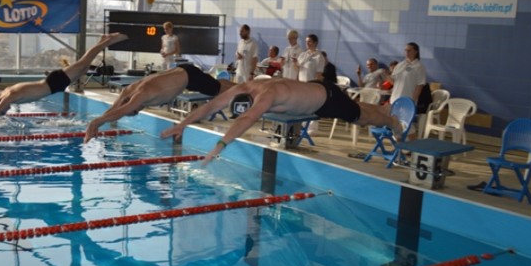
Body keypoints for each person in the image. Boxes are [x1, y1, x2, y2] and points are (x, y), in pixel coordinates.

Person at [161, 77, 402, 164]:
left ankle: (392, 122)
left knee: (360, 119)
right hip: (316, 90)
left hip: (327, 100)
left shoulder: (266, 95)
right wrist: (183, 124)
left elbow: (246, 119)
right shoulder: (244, 87)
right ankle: (385, 108)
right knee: (356, 108)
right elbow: (211, 105)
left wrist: (219, 147)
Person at [0, 32, 128, 134]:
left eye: (3, 110)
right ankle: (103, 41)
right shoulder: (3, 94)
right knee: (84, 65)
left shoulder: (8, 98)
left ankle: (106, 40)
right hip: (52, 82)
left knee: (84, 61)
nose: (5, 111)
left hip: (54, 83)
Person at [84, 64, 236, 143]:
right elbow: (114, 109)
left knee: (217, 90)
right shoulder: (128, 91)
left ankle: (247, 89)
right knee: (216, 86)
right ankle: (241, 86)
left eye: (135, 111)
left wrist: (95, 122)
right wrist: (98, 124)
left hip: (189, 77)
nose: (138, 110)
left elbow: (119, 112)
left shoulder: (139, 95)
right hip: (183, 73)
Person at [389, 43, 426, 139]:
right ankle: (399, 148)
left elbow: (420, 85)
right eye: (405, 50)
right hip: (395, 99)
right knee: (395, 125)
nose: (407, 52)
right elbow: (393, 82)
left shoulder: (418, 66)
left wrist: (412, 101)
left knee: (408, 126)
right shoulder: (401, 65)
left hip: (407, 100)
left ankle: (414, 149)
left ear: (416, 51)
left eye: (409, 50)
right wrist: (385, 76)